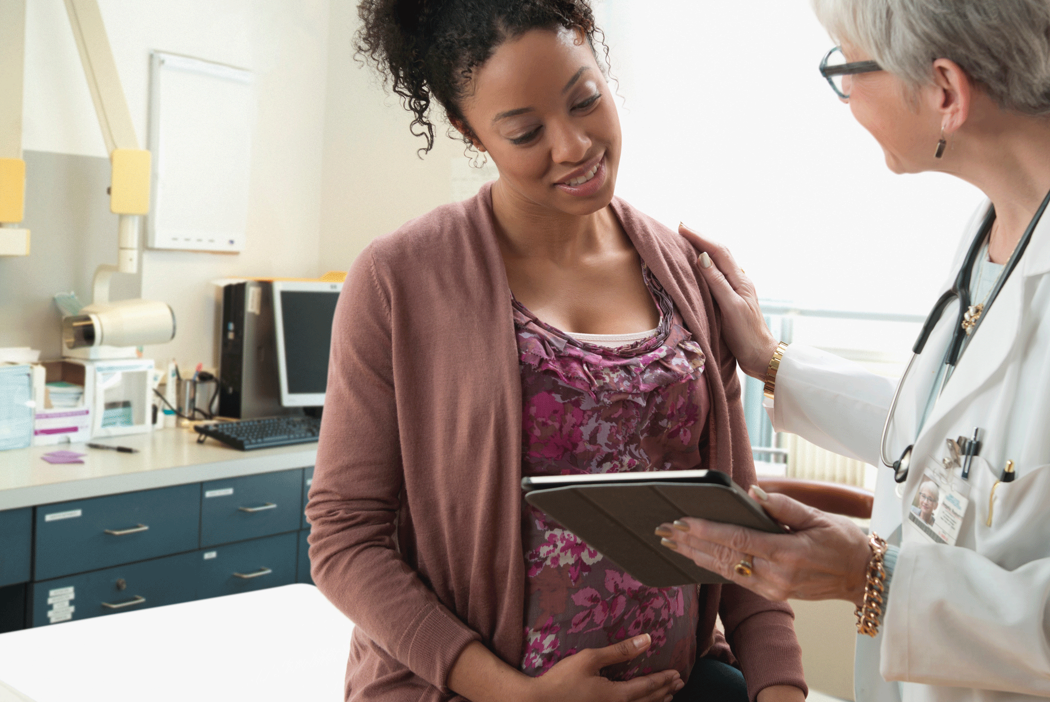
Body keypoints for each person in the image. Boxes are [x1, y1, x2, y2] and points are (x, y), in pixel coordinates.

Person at [658, 0, 1050, 700]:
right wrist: (773, 362)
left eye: (848, 66)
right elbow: (963, 445)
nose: (847, 96)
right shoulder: (1010, 225)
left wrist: (870, 579)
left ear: (946, 92)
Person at [305, 2, 807, 701]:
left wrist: (779, 685)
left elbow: (738, 523)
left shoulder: (684, 272)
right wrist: (513, 693)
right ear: (467, 130)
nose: (573, 146)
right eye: (525, 132)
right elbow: (343, 538)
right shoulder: (400, 278)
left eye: (585, 101)